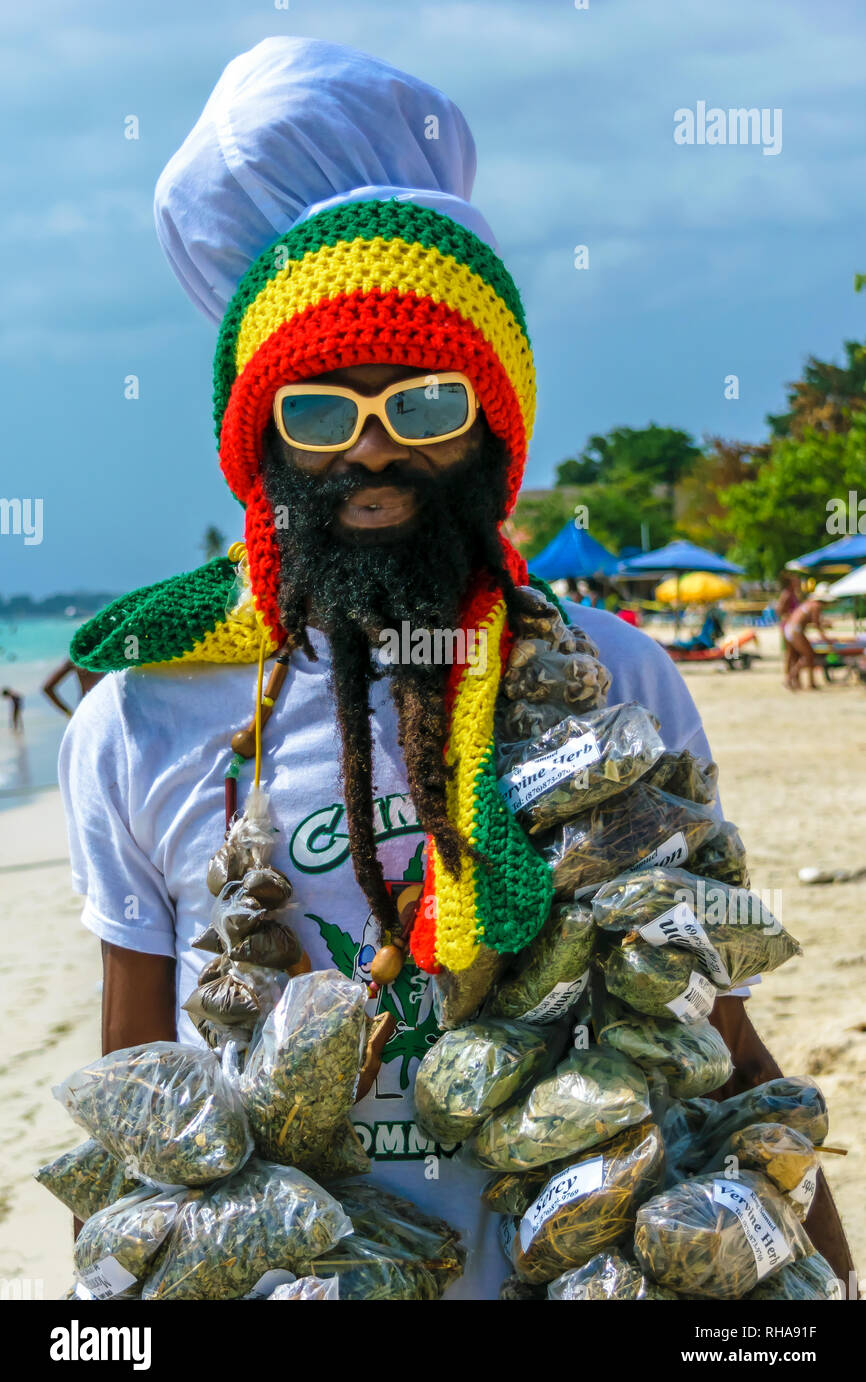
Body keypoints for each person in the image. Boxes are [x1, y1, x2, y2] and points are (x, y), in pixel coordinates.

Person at [58, 38, 851, 1296]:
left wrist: (808, 1262)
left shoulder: (616, 674)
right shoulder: (141, 721)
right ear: (256, 441)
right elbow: (137, 1102)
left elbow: (713, 1011)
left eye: (422, 403)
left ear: (492, 424)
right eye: (316, 409)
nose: (370, 451)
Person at [783, 583, 834, 691]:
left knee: (796, 656)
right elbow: (816, 624)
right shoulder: (816, 606)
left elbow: (809, 620)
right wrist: (825, 638)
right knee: (809, 655)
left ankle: (800, 683)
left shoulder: (808, 604)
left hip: (789, 629)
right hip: (795, 630)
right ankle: (790, 678)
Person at [775, 571, 802, 687]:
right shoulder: (786, 594)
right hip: (788, 626)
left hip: (792, 625)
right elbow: (779, 610)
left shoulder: (793, 594)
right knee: (790, 654)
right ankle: (789, 678)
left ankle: (794, 679)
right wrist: (790, 617)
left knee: (794, 653)